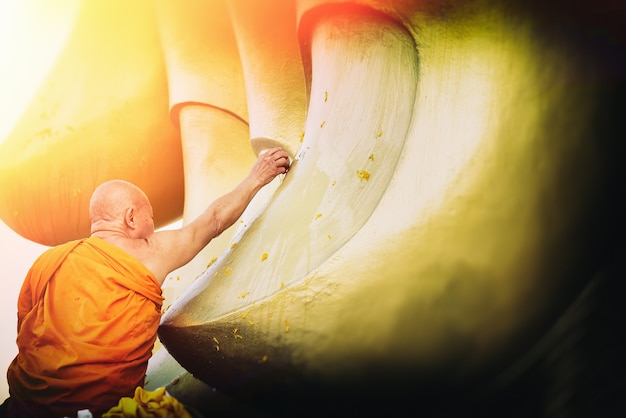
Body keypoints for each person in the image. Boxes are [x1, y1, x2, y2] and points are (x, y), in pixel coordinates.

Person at [1, 147, 290, 418]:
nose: (153, 228)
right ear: (130, 218)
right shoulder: (147, 253)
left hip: (25, 406)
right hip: (99, 409)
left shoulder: (48, 262)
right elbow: (212, 222)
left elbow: (27, 330)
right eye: (150, 218)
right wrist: (258, 176)